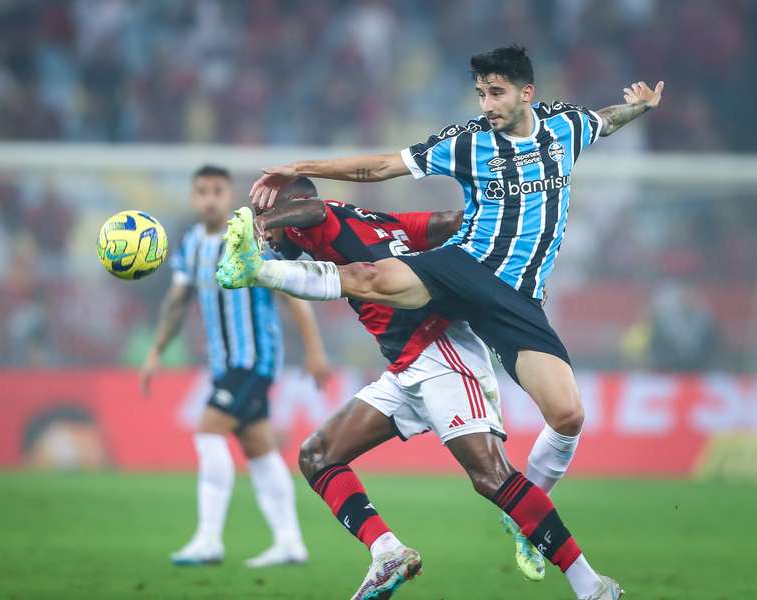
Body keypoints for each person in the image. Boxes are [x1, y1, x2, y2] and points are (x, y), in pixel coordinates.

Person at [219, 46, 660, 600]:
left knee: (566, 415)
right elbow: (377, 168)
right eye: (480, 93)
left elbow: (603, 121)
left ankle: (534, 526)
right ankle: (400, 555)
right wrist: (299, 170)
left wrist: (638, 108)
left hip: (509, 303)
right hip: (465, 269)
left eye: (496, 92)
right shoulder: (468, 141)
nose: (486, 104)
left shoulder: (566, 128)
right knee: (320, 446)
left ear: (527, 93)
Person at [235, 177, 622, 600]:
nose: (267, 235)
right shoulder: (383, 223)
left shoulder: (318, 221)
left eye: (268, 224)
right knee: (318, 455)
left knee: (492, 476)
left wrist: (266, 219)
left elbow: (315, 210)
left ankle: (591, 586)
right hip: (405, 368)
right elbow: (448, 221)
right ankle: (388, 553)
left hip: (441, 354)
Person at [140, 165, 331, 568]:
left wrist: (314, 351)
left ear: (228, 196)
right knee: (259, 448)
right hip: (225, 363)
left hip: (254, 361)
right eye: (202, 191)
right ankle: (290, 542)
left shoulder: (247, 239)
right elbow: (178, 302)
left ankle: (209, 539)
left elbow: (292, 294)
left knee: (208, 430)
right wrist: (157, 349)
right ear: (194, 198)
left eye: (217, 191)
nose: (210, 198)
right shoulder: (191, 244)